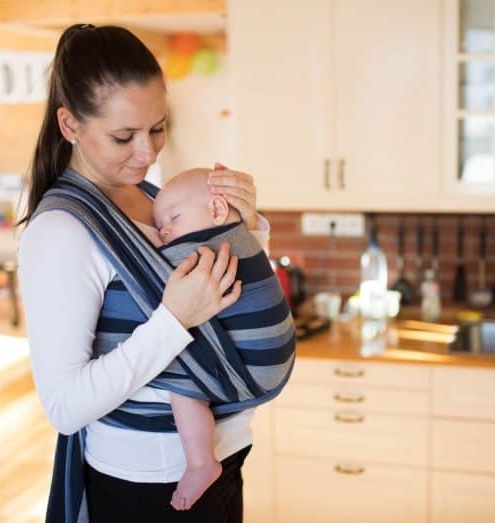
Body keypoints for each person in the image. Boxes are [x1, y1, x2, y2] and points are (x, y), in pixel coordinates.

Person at [17, 24, 290, 523]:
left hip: (223, 458)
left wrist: (246, 231)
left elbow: (223, 302)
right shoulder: (63, 231)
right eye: (124, 136)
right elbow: (65, 406)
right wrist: (173, 320)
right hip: (151, 484)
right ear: (70, 124)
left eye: (158, 128)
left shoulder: (151, 198)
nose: (148, 153)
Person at [152, 168, 292, 511]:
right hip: (274, 360)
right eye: (159, 227)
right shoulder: (242, 239)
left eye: (174, 218)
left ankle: (200, 461)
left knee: (180, 385)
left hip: (255, 367)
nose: (165, 231)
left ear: (216, 210)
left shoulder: (199, 252)